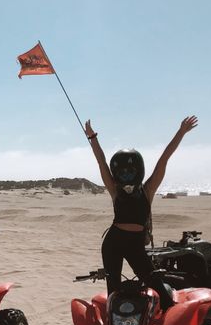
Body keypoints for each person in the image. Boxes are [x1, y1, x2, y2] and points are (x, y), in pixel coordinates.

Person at [84, 116, 198, 310]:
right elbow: (101, 162)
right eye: (122, 171)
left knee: (157, 286)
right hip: (113, 242)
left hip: (135, 245)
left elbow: (164, 159)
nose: (126, 175)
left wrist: (181, 132)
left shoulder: (148, 190)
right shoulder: (115, 190)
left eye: (131, 170)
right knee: (114, 289)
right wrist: (93, 137)